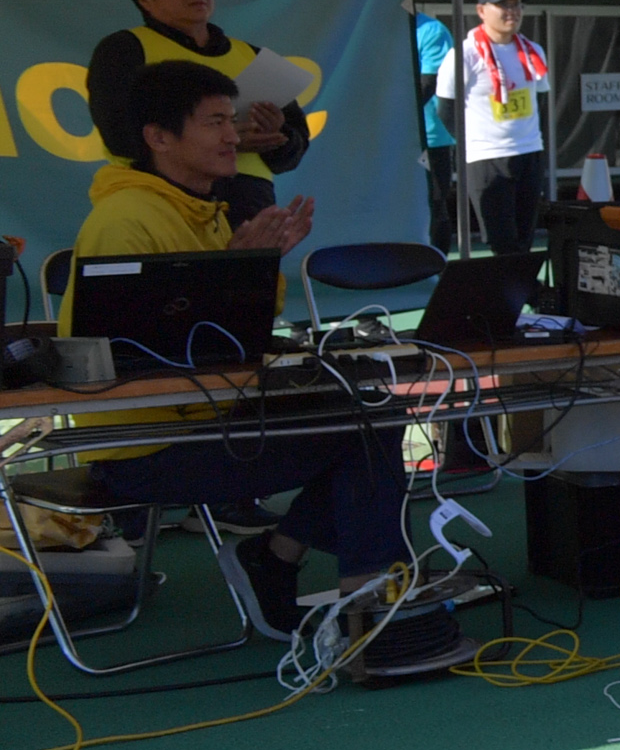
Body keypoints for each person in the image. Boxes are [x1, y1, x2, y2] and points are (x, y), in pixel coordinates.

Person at [69, 65, 419, 652]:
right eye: (214, 123)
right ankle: (360, 604)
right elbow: (137, 359)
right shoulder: (126, 220)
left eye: (230, 121)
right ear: (159, 137)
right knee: (363, 431)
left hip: (208, 420)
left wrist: (251, 270)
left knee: (371, 414)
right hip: (145, 447)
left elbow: (230, 337)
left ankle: (305, 571)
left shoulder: (201, 208)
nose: (235, 136)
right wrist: (236, 273)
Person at [86, 0, 311, 231]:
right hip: (163, 205)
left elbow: (294, 150)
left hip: (249, 211)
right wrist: (221, 142)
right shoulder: (123, 50)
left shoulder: (253, 56)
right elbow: (119, 135)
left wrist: (277, 137)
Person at [431, 0, 552, 275]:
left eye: (517, 5)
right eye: (503, 6)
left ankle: (524, 296)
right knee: (501, 241)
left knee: (525, 237)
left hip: (529, 152)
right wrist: (471, 144)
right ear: (481, 10)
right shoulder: (464, 54)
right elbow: (445, 108)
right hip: (486, 158)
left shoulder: (533, 50)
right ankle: (512, 294)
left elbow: (540, 99)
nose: (512, 12)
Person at [412, 8, 459, 249]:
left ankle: (438, 264)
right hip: (388, 136)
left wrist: (396, 114)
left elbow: (428, 83)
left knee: (434, 203)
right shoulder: (378, 30)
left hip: (431, 140)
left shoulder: (432, 30)